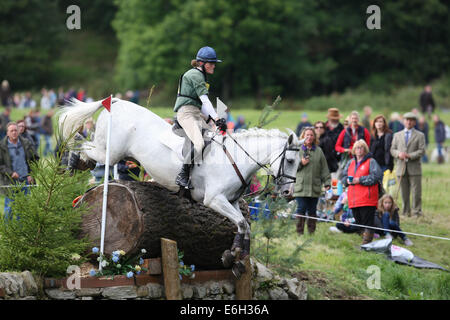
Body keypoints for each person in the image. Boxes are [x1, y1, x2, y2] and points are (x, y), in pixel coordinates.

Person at [172, 46, 227, 189]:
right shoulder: (195, 75)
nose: (214, 65)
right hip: (186, 113)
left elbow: (201, 105)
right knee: (200, 144)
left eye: (214, 63)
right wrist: (217, 118)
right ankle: (182, 175)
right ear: (201, 63)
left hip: (196, 112)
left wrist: (214, 120)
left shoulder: (201, 76)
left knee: (213, 139)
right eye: (211, 63)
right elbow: (205, 101)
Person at [341, 139, 383, 244]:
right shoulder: (350, 162)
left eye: (362, 147)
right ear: (354, 150)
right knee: (359, 222)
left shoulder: (371, 161)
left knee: (367, 222)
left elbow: (376, 177)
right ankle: (367, 242)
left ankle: (366, 245)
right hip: (354, 199)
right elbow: (343, 176)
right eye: (357, 148)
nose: (359, 150)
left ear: (365, 150)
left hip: (367, 198)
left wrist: (360, 180)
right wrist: (346, 180)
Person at [294, 127, 331, 235]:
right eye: (307, 135)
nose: (309, 137)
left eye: (311, 135)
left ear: (314, 137)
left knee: (312, 210)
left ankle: (311, 233)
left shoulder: (319, 151)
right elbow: (290, 168)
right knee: (301, 208)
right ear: (303, 136)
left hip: (314, 187)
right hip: (301, 186)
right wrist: (301, 163)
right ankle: (299, 233)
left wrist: (327, 182)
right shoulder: (297, 149)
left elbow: (324, 169)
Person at [0, 122, 39, 218]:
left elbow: (35, 159)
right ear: (7, 133)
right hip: (10, 181)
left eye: (15, 130)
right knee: (9, 208)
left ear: (19, 131)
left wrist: (31, 174)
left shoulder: (26, 143)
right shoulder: (2, 146)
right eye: (11, 131)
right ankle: (7, 231)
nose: (14, 132)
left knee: (23, 207)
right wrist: (11, 173)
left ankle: (21, 230)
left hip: (25, 180)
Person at [390, 112, 426, 217]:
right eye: (407, 120)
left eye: (411, 120)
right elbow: (392, 149)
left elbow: (422, 150)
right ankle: (406, 212)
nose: (409, 122)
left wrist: (410, 155)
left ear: (414, 122)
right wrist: (399, 154)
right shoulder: (397, 135)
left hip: (415, 168)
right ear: (404, 121)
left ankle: (416, 212)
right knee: (404, 192)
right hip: (401, 168)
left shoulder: (420, 135)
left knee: (416, 192)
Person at [335, 111, 371, 177]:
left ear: (358, 120)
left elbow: (368, 146)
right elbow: (337, 147)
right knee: (341, 177)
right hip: (347, 159)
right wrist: (345, 150)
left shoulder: (364, 131)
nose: (354, 120)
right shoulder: (344, 132)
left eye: (356, 118)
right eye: (353, 118)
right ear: (350, 120)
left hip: (361, 159)